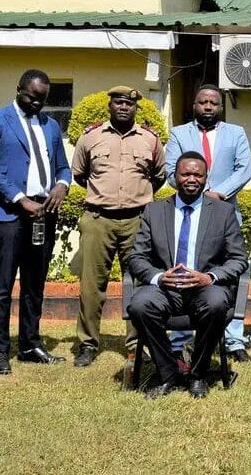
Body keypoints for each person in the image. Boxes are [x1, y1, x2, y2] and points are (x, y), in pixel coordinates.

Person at [127, 151, 248, 399]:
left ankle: (198, 374)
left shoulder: (223, 212)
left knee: (216, 304)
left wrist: (210, 277)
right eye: (185, 174)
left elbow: (239, 259)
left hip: (205, 287)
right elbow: (137, 258)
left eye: (197, 174)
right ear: (175, 177)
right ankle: (168, 373)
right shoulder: (154, 211)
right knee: (140, 305)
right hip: (165, 289)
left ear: (206, 179)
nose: (191, 179)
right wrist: (159, 277)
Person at [0, 69, 71, 374]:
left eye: (42, 99)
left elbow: (64, 168)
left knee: (35, 283)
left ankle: (30, 345)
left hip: (43, 214)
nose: (36, 103)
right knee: (2, 284)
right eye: (31, 96)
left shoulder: (51, 125)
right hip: (8, 214)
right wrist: (21, 199)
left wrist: (61, 186)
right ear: (18, 89)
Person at [72, 86, 166, 367]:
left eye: (129, 103)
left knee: (140, 284)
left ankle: (137, 344)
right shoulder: (90, 137)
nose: (124, 107)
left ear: (136, 108)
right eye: (119, 103)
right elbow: (80, 174)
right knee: (91, 285)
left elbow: (157, 177)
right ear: (110, 106)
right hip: (98, 219)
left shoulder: (150, 140)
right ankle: (87, 343)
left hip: (138, 219)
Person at [164, 84, 251, 364]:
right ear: (194, 106)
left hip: (225, 211)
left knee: (231, 273)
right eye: (202, 102)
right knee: (184, 266)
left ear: (220, 106)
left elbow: (244, 169)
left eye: (213, 102)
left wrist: (217, 194)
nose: (208, 107)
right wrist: (199, 195)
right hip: (188, 213)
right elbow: (170, 172)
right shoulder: (179, 134)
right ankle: (180, 340)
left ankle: (234, 339)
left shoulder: (235, 133)